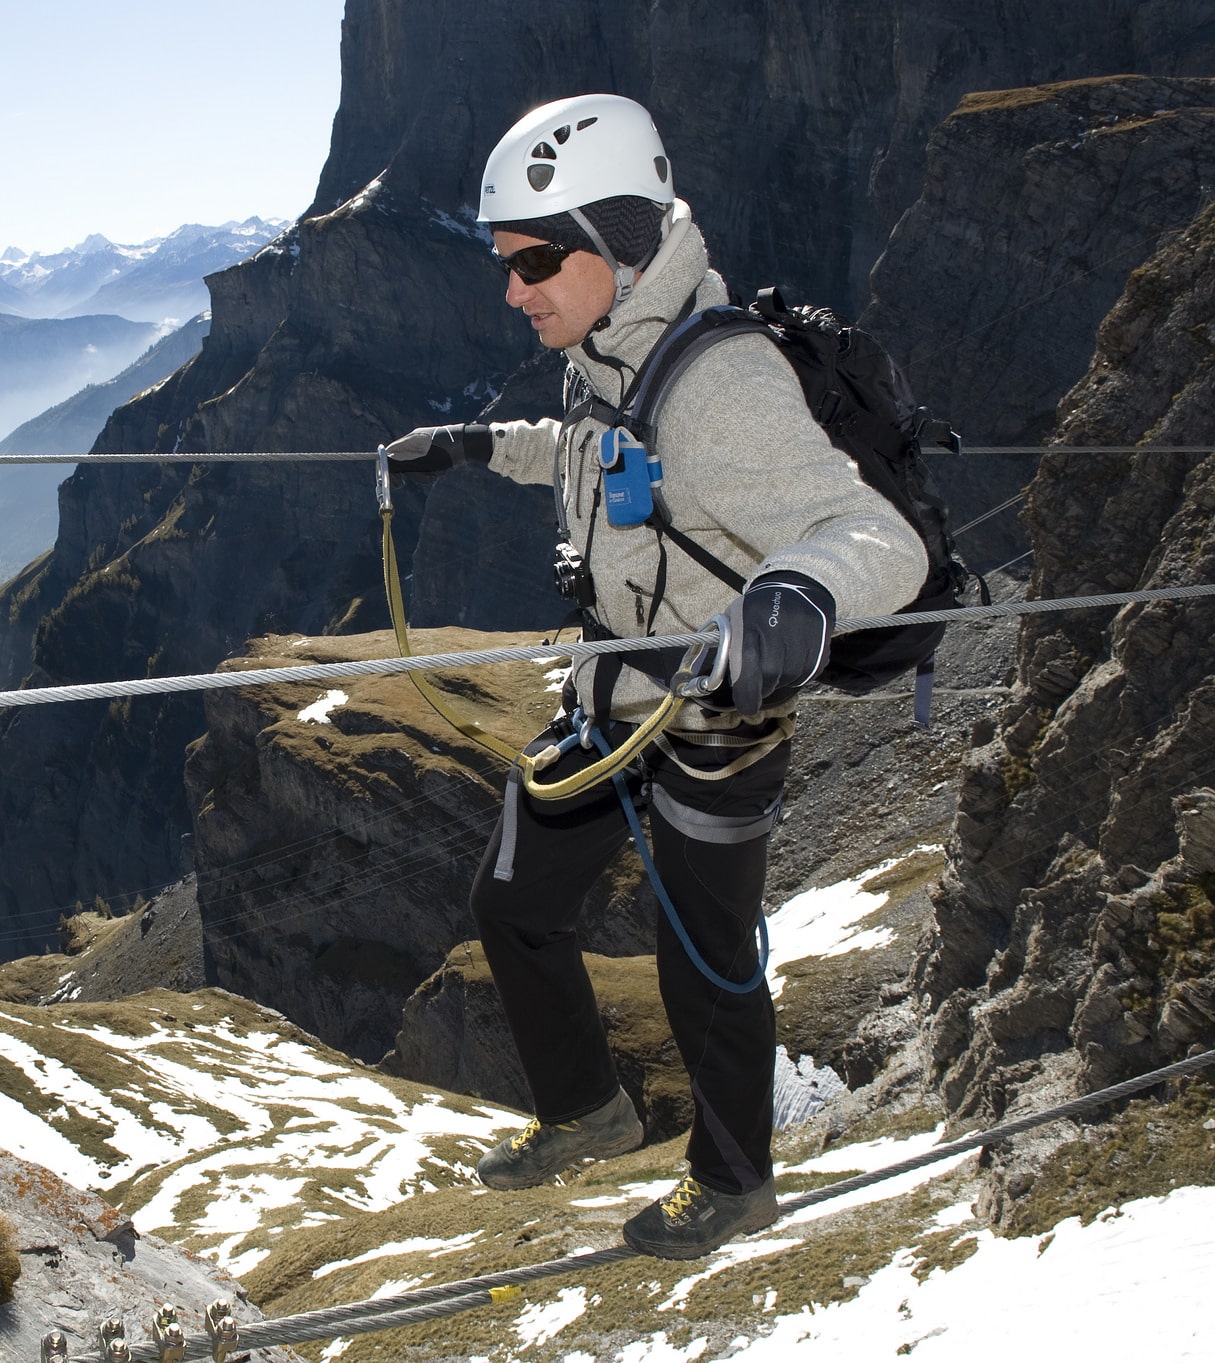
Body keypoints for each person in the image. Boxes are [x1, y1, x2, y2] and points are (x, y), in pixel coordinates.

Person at [384, 94, 926, 1259]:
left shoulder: (717, 384)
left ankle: (733, 1181)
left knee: (703, 963)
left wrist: (796, 594)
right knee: (513, 903)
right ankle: (586, 1111)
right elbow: (585, 450)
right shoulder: (606, 349)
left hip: (714, 721)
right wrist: (477, 447)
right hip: (612, 700)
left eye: (534, 259)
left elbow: (877, 538)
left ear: (618, 241)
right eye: (504, 264)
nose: (512, 289)